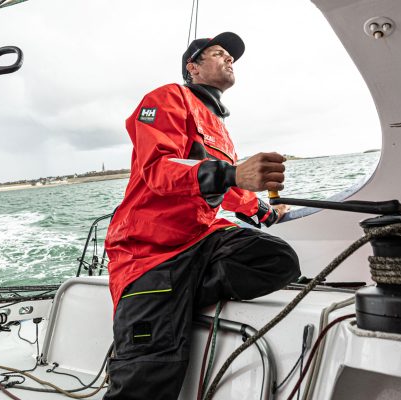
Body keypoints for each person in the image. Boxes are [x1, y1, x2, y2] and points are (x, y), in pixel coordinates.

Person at [103, 32, 300, 399]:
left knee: (278, 260)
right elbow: (159, 169)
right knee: (147, 378)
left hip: (201, 238)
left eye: (231, 57)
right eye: (218, 54)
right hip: (148, 252)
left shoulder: (218, 125)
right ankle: (165, 300)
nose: (229, 60)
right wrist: (232, 172)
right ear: (192, 67)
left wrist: (264, 211)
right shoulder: (166, 98)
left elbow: (229, 186)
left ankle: (178, 293)